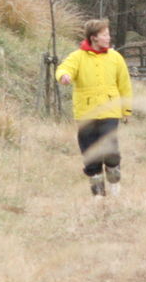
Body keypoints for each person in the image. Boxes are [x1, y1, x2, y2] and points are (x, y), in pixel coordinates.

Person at [56, 19, 134, 197]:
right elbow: (63, 69)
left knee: (110, 149)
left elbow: (125, 85)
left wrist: (126, 109)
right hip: (86, 113)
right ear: (94, 38)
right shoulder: (77, 57)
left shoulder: (115, 58)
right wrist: (64, 76)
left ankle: (114, 180)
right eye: (104, 35)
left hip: (110, 110)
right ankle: (98, 194)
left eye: (108, 34)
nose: (108, 38)